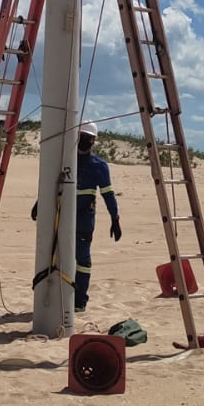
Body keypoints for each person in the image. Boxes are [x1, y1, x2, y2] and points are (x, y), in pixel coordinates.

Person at [74, 120, 122, 312]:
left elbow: (108, 194)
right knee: (62, 260)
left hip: (84, 222)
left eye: (87, 138)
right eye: (81, 137)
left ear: (93, 141)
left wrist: (115, 218)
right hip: (62, 219)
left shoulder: (99, 166)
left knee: (83, 262)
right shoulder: (65, 159)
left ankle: (79, 301)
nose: (84, 141)